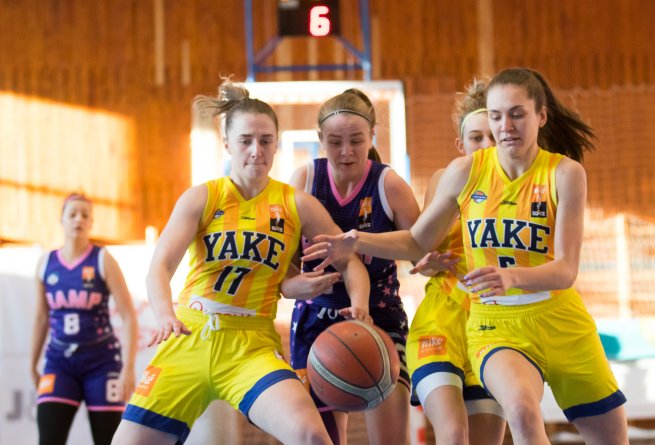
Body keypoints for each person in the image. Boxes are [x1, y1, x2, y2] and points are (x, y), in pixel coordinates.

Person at [303, 67, 629, 445]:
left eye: (516, 114)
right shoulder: (463, 173)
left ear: (541, 116)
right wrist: (356, 240)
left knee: (611, 437)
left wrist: (512, 277)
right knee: (519, 413)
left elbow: (566, 270)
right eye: (495, 116)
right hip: (495, 323)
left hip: (560, 318)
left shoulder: (564, 174)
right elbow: (415, 243)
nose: (504, 126)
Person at [111, 79, 371, 445]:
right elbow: (159, 268)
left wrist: (360, 305)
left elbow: (350, 260)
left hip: (251, 345)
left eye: (265, 140)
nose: (256, 150)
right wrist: (165, 313)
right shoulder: (203, 197)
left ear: (277, 144)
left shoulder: (296, 203)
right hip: (191, 335)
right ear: (227, 144)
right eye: (246, 140)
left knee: (312, 436)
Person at [284, 88, 419, 445]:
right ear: (319, 140)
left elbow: (419, 247)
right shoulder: (304, 181)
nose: (346, 152)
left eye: (357, 141)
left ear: (372, 135)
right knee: (320, 439)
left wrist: (432, 260)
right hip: (316, 317)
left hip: (379, 316)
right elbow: (282, 259)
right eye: (335, 142)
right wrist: (292, 282)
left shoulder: (389, 184)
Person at [407, 78, 506, 445]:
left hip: (495, 324)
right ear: (460, 145)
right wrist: (427, 262)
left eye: (492, 137)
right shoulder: (444, 179)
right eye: (475, 138)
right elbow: (419, 247)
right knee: (452, 432)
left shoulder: (521, 188)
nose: (485, 146)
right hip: (441, 322)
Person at [30, 193, 138, 445]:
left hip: (101, 362)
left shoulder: (102, 259)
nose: (79, 219)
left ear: (91, 223)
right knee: (49, 437)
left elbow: (129, 316)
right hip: (59, 361)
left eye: (85, 215)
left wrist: (128, 369)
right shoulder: (45, 263)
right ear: (62, 220)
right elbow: (40, 318)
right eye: (73, 214)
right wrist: (31, 364)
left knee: (108, 439)